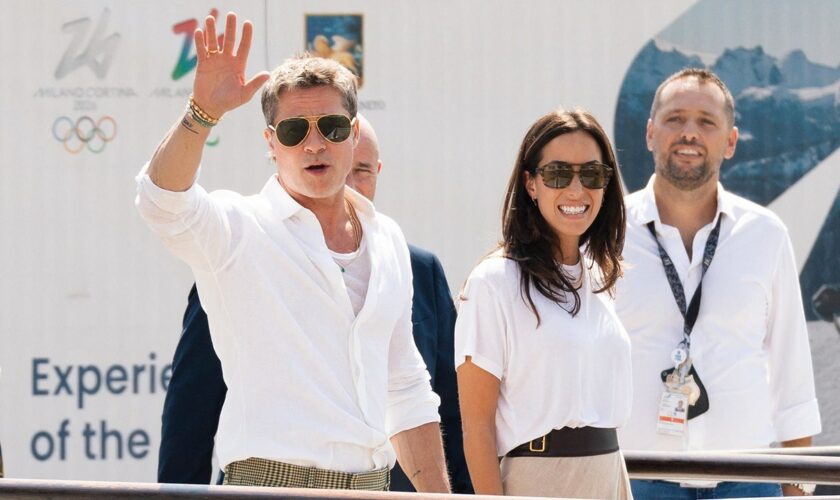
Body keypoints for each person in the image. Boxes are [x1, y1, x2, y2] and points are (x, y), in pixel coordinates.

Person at [136, 12, 449, 492]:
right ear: (270, 144)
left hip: (373, 485)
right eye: (293, 131)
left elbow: (406, 391)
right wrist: (201, 114)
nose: (314, 144)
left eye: (331, 127)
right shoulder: (237, 228)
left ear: (353, 131)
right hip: (267, 483)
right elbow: (162, 203)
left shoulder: (386, 239)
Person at [157, 115, 472, 493]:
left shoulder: (412, 263)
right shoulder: (239, 251)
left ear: (377, 171)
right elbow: (192, 411)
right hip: (267, 485)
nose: (347, 183)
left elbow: (443, 410)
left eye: (362, 171)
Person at [616, 68, 821, 498]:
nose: (689, 133)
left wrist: (799, 488)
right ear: (650, 133)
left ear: (730, 142)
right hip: (637, 481)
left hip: (748, 481)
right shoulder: (608, 235)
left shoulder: (765, 234)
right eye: (675, 119)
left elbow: (791, 371)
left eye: (706, 122)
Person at [455, 109, 632, 498]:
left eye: (592, 174)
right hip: (538, 481)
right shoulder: (494, 282)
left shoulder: (600, 278)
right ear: (531, 184)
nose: (575, 189)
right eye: (556, 174)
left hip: (610, 475)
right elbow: (477, 427)